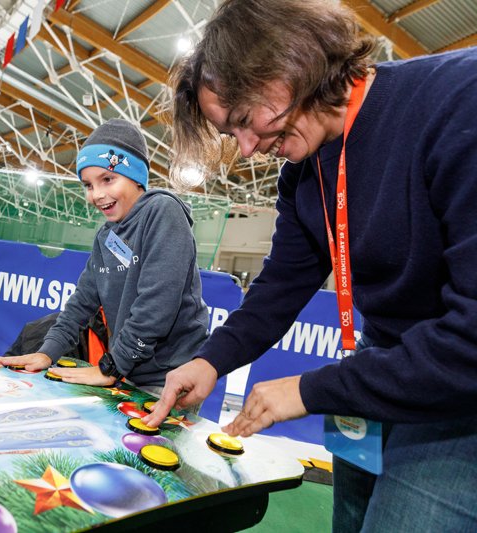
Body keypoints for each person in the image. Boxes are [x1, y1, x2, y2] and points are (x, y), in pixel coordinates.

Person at [143, 0, 477, 530]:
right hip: (389, 364)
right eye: (232, 134)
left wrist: (307, 390)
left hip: (460, 384)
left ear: (287, 67)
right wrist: (209, 361)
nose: (247, 150)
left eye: (245, 121)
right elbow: (280, 285)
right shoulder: (303, 172)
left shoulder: (459, 100)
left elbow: (470, 339)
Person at [0, 118, 210, 393]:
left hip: (170, 376)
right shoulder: (107, 236)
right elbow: (82, 301)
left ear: (136, 176)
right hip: (130, 370)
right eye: (88, 185)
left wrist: (112, 367)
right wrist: (47, 352)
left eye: (108, 179)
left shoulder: (163, 212)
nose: (97, 195)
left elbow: (156, 306)